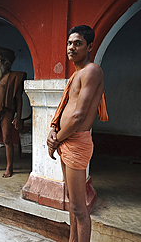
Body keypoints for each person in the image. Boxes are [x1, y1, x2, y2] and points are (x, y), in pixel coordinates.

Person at [47, 25, 108, 242]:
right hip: (66, 139)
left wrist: (57, 140)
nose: (71, 47)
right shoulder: (77, 75)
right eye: (69, 43)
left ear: (90, 46)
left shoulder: (92, 71)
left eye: (78, 43)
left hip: (75, 141)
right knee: (71, 200)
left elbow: (78, 117)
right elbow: (66, 110)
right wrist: (53, 132)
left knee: (80, 209)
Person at [0, 46, 27, 178]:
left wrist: (18, 117)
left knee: (7, 139)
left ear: (7, 63)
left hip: (6, 112)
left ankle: (9, 167)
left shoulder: (14, 77)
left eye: (0, 60)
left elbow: (19, 99)